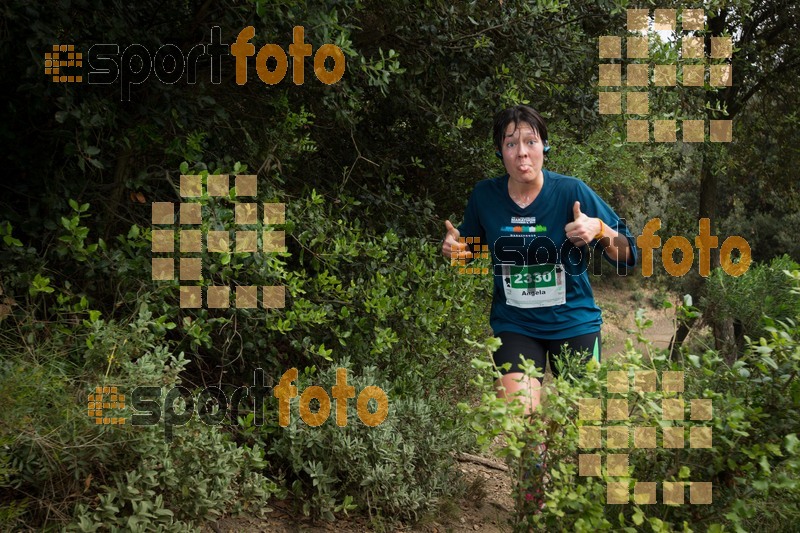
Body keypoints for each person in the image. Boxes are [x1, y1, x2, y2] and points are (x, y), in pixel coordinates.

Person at [441, 105, 637, 507]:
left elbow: (630, 255)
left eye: (530, 141)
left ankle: (575, 506)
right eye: (511, 144)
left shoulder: (572, 192)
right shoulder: (485, 196)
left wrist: (599, 229)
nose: (522, 153)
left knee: (572, 427)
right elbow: (469, 252)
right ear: (500, 152)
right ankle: (534, 506)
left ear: (544, 146)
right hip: (516, 324)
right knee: (521, 421)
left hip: (575, 322)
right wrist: (454, 250)